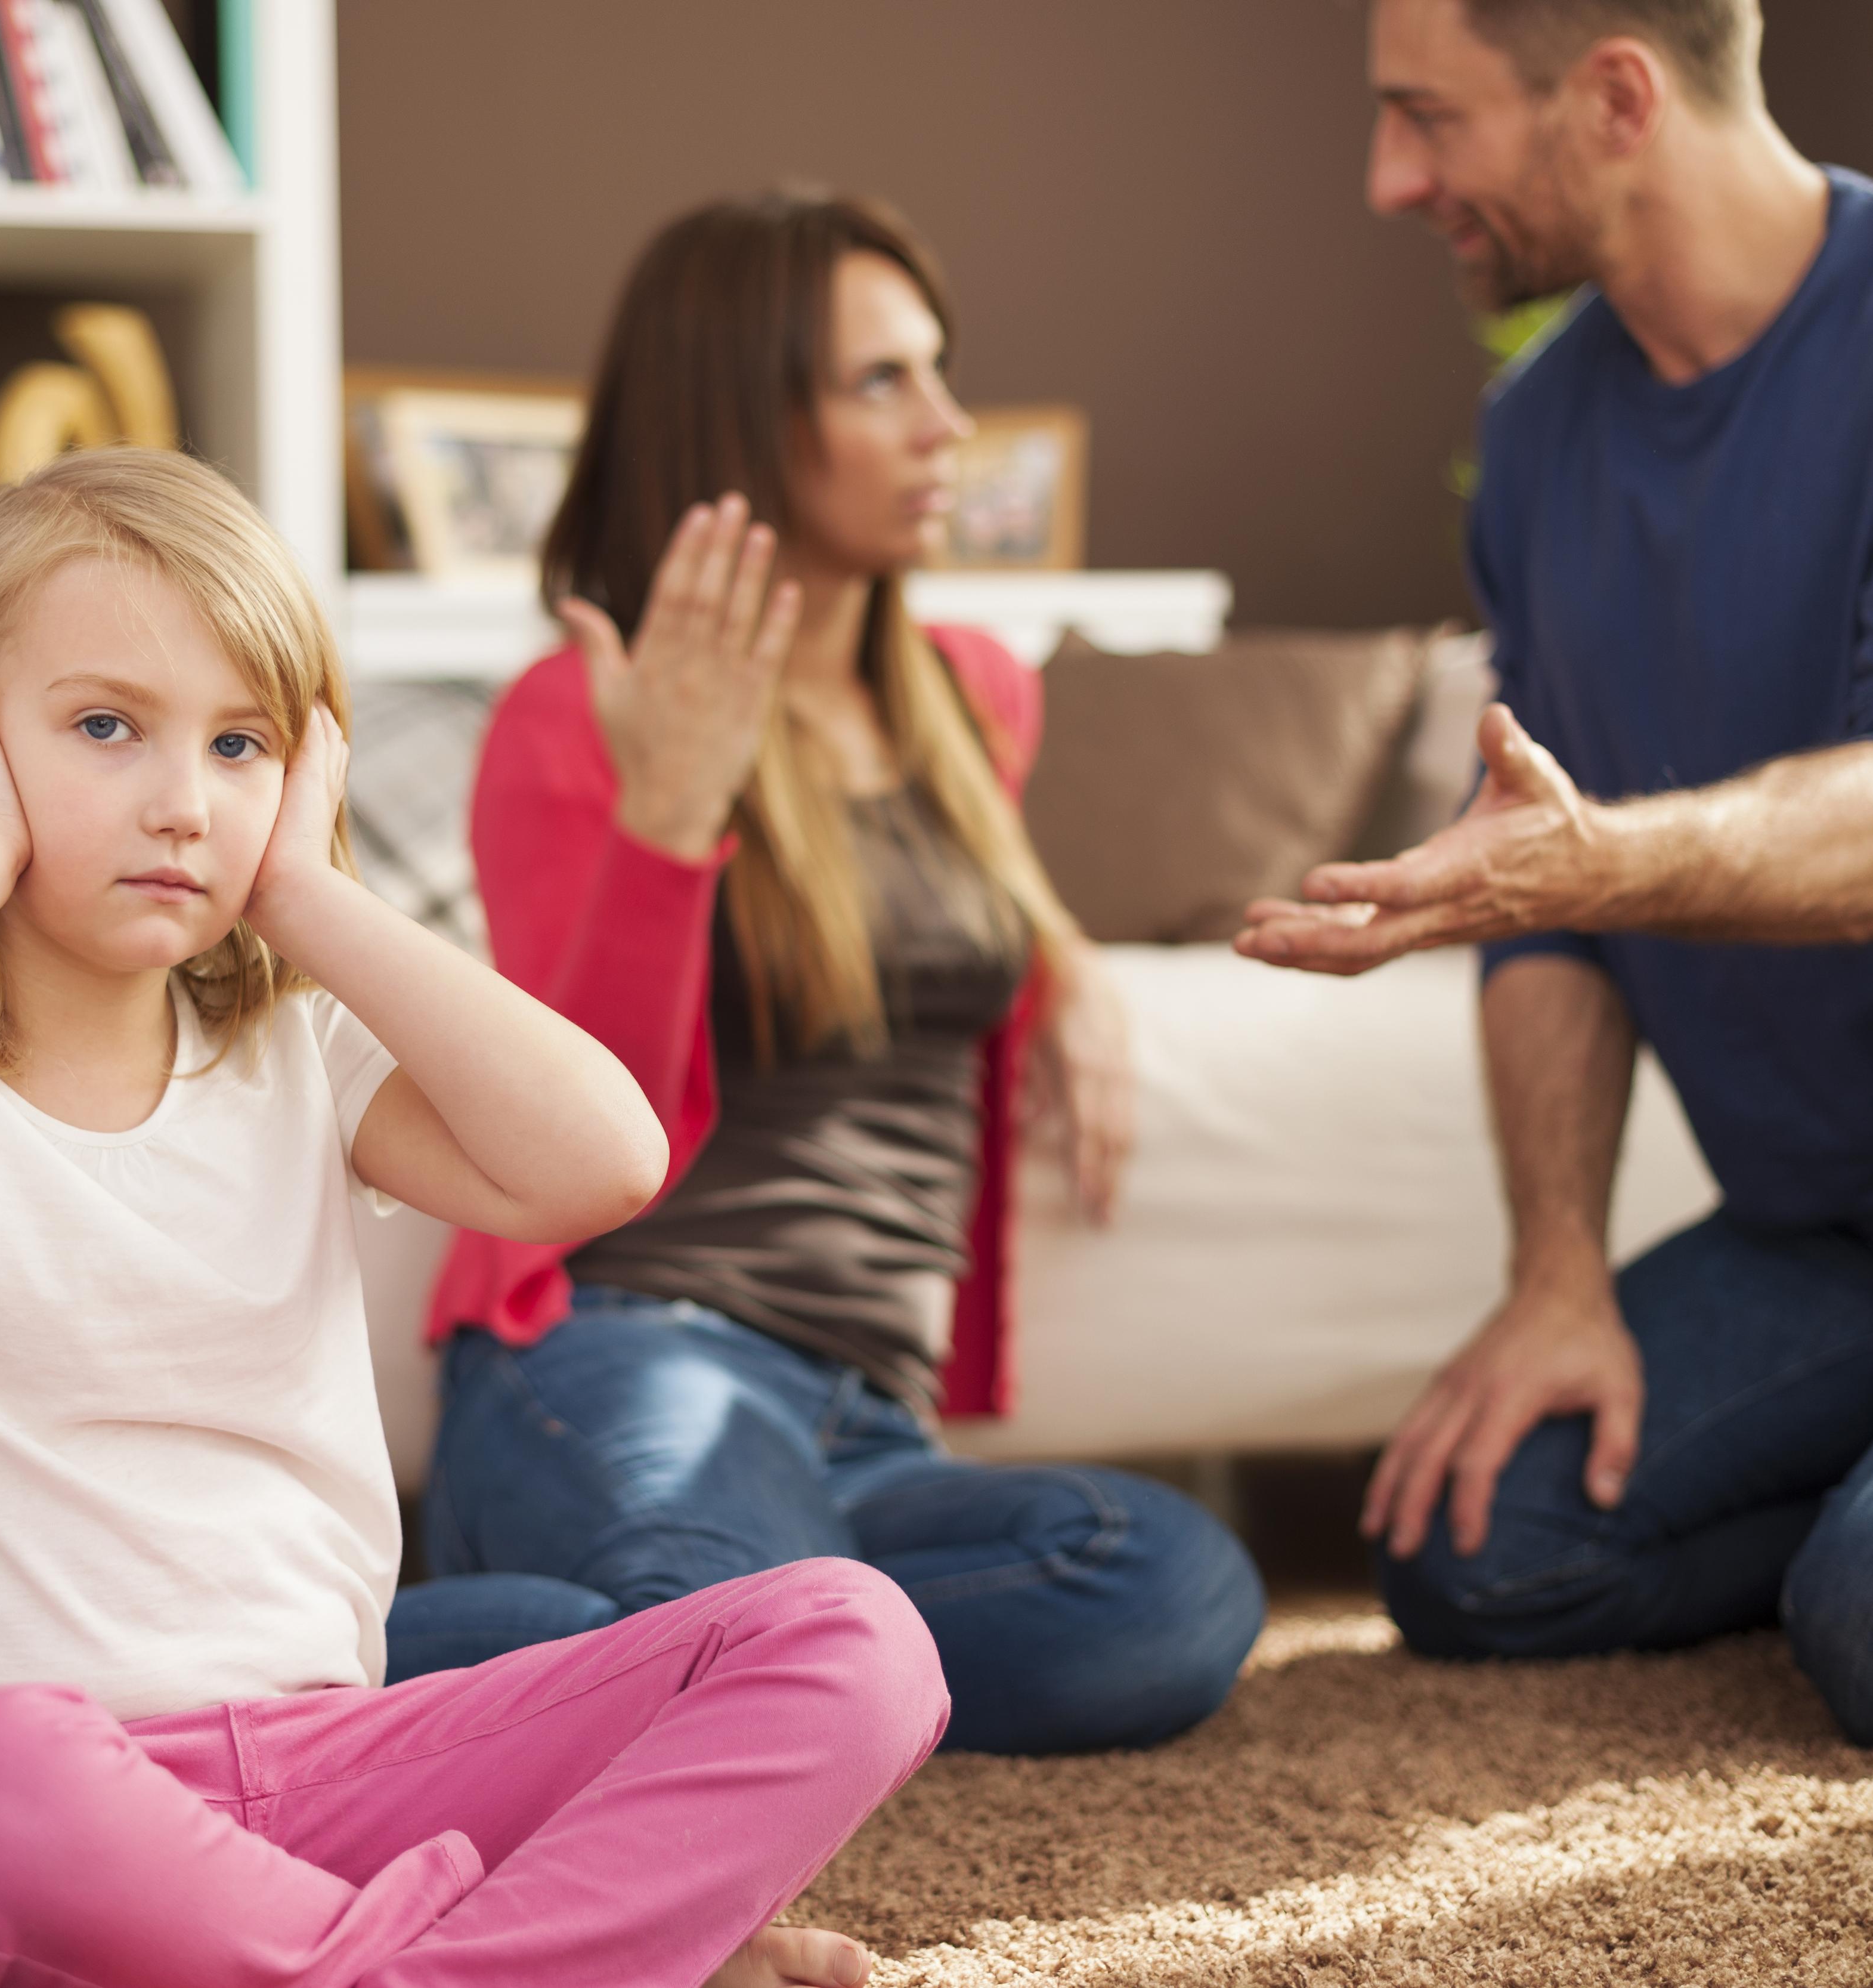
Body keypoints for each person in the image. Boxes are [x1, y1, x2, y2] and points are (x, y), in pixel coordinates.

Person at [0, 447, 946, 1988]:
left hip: (330, 1785)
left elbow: (604, 1162)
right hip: (22, 1803)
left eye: (240, 744)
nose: (182, 804)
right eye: (104, 728)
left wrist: (309, 895)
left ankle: (402, 1968)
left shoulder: (298, 1059)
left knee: (857, 1638)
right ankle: (563, 1962)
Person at [1237, 0, 1873, 1752]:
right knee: (1477, 1556)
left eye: (1428, 119)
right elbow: (1541, 910)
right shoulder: (1542, 437)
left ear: (1616, 95)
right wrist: (1559, 1274)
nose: (1391, 180)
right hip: (1834, 1235)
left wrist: (1590, 862)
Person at [392, 192, 1264, 1754]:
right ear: (743, 418)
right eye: (884, 383)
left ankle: (705, 1655)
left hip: (869, 1419)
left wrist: (1064, 954)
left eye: (940, 371)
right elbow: (574, 1126)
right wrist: (673, 810)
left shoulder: (971, 698)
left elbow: (947, 914)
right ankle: (206, 1658)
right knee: (734, 1617)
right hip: (626, 1345)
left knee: (1170, 1593)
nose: (948, 426)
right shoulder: (572, 718)